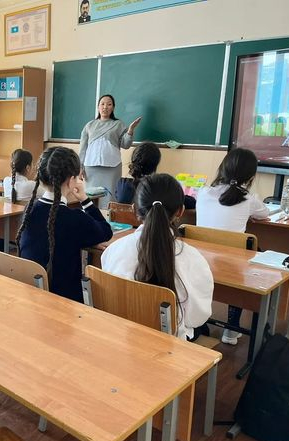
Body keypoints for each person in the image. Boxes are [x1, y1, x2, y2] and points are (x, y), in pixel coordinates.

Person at [101, 173, 213, 340]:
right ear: (180, 211)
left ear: (135, 209)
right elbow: (197, 318)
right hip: (170, 344)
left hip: (121, 336)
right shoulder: (192, 258)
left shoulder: (114, 250)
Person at [17, 146, 113, 302]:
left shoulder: (29, 209)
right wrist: (84, 199)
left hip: (30, 295)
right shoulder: (74, 219)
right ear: (72, 180)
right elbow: (106, 231)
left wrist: (82, 238)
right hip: (64, 302)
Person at [196, 148, 269, 345]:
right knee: (250, 256)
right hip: (232, 269)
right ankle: (231, 328)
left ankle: (197, 321)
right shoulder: (248, 199)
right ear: (251, 176)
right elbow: (264, 213)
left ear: (222, 168)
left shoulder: (203, 192)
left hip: (200, 263)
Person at [79, 94, 142, 206]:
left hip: (112, 167)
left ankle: (109, 216)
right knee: (91, 197)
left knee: (110, 196)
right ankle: (90, 215)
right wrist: (80, 167)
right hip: (91, 168)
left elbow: (126, 145)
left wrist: (130, 130)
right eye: (102, 104)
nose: (105, 107)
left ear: (113, 107)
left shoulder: (118, 124)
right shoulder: (89, 125)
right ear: (98, 106)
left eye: (109, 104)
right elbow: (83, 149)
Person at [115, 142, 197, 209]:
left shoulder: (122, 185)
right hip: (153, 225)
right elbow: (191, 203)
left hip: (126, 225)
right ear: (156, 164)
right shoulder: (161, 187)